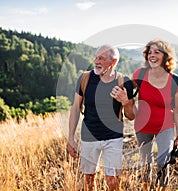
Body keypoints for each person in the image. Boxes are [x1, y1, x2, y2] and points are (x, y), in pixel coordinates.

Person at [116, 39, 178, 191]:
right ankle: (146, 187)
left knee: (162, 161)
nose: (152, 55)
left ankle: (162, 188)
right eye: (149, 52)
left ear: (165, 56)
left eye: (156, 52)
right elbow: (125, 87)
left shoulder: (175, 81)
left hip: (165, 126)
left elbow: (177, 110)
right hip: (142, 125)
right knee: (146, 161)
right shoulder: (140, 74)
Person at [67, 44, 135, 191]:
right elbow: (75, 109)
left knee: (112, 181)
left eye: (101, 58)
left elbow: (131, 116)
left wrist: (125, 101)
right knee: (89, 179)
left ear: (113, 62)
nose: (96, 61)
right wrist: (71, 138)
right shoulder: (84, 79)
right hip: (89, 136)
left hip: (113, 137)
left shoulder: (125, 82)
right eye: (96, 57)